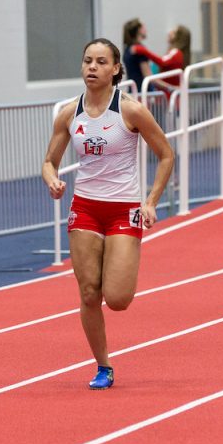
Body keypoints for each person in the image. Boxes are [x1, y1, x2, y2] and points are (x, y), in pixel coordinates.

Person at [42, 38, 174, 389]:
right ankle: (103, 366)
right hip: (85, 207)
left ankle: (120, 261)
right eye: (87, 61)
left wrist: (150, 201)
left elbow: (166, 155)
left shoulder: (130, 110)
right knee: (88, 293)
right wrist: (53, 180)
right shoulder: (69, 113)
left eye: (101, 62)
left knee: (116, 299)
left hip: (122, 208)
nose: (92, 68)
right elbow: (48, 162)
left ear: (116, 69)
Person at [131, 25, 192, 89]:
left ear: (179, 37)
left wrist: (142, 50)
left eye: (173, 32)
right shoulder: (176, 52)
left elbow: (162, 61)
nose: (169, 33)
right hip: (168, 93)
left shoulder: (176, 52)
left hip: (169, 94)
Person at [121, 18, 149, 91]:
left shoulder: (127, 49)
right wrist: (168, 86)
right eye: (143, 27)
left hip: (133, 90)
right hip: (143, 91)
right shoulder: (139, 50)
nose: (146, 29)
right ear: (139, 30)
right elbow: (148, 75)